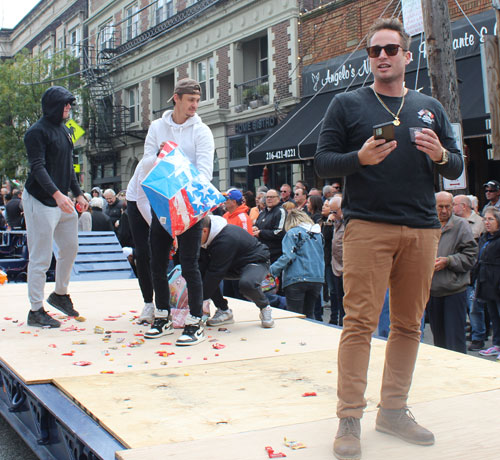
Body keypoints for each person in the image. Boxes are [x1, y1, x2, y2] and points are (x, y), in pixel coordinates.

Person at [314, 18, 463, 459]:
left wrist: (441, 154)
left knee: (408, 325)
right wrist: (358, 158)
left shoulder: (429, 105)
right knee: (359, 323)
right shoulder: (347, 104)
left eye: (391, 49)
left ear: (406, 55)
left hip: (420, 228)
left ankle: (393, 410)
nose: (382, 56)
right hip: (367, 226)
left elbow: (455, 166)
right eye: (375, 50)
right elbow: (322, 162)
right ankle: (349, 417)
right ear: (369, 58)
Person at [142, 78, 215, 346]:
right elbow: (146, 162)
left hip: (189, 204)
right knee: (157, 263)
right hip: (161, 201)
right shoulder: (157, 127)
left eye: (197, 100)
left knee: (189, 263)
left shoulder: (203, 131)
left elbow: (205, 173)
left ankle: (195, 321)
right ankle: (162, 316)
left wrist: (177, 168)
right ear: (176, 98)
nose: (195, 105)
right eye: (190, 100)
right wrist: (162, 155)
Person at [22, 86, 88, 328]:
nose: (69, 107)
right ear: (53, 106)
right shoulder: (35, 132)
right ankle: (35, 310)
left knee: (70, 248)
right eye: (65, 104)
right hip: (40, 199)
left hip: (62, 200)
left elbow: (69, 166)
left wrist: (78, 193)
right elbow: (37, 167)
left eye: (70, 103)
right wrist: (57, 194)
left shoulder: (66, 130)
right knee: (40, 257)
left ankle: (59, 294)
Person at [200, 215, 274, 328]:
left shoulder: (225, 238)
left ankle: (264, 307)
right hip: (232, 264)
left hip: (255, 261)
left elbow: (216, 272)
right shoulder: (207, 238)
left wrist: (200, 302)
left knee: (247, 284)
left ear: (205, 231)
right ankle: (224, 310)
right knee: (203, 274)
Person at [426, 192, 478, 354]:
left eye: (447, 207)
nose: (444, 211)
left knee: (455, 341)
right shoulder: (427, 225)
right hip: (432, 291)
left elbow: (471, 256)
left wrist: (448, 261)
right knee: (439, 341)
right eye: (440, 207)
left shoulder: (461, 225)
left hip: (454, 291)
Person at [270, 209, 324, 319]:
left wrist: (271, 271)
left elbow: (288, 257)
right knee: (309, 314)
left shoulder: (292, 233)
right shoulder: (318, 234)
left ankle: (297, 336)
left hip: (296, 278)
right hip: (316, 278)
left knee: (295, 315)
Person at [126, 158, 155, 324]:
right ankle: (148, 303)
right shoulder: (147, 164)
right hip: (137, 201)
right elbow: (141, 201)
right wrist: (161, 229)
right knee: (144, 253)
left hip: (162, 200)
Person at [475, 207, 500, 360]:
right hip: (486, 282)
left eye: (491, 219)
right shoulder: (485, 237)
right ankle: (497, 343)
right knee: (494, 315)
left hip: (498, 281)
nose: (487, 222)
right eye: (485, 219)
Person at [253, 189, 286, 263]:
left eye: (272, 197)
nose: (269, 199)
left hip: (275, 254)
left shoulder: (280, 211)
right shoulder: (263, 212)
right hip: (261, 252)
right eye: (267, 197)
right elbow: (257, 225)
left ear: (278, 198)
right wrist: (254, 228)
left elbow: (280, 232)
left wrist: (261, 233)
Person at [329, 196, 345, 326]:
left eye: (335, 212)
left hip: (347, 267)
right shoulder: (335, 222)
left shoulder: (348, 222)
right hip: (336, 267)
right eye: (331, 212)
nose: (333, 215)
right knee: (339, 298)